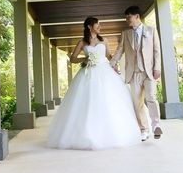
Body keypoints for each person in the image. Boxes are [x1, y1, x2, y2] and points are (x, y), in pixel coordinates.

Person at [47, 16, 141, 150]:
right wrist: (85, 59)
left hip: (105, 73)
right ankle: (86, 133)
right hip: (88, 73)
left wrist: (115, 66)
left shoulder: (104, 40)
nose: (100, 27)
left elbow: (109, 56)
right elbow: (73, 58)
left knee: (107, 100)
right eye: (97, 25)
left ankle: (109, 133)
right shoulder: (82, 42)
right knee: (87, 102)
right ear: (89, 27)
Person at [111, 6, 162, 141]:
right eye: (126, 17)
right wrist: (112, 63)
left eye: (129, 17)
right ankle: (144, 129)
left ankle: (156, 125)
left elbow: (157, 51)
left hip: (149, 72)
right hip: (133, 73)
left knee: (151, 98)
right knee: (137, 102)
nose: (127, 19)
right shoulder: (125, 33)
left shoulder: (151, 30)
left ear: (137, 16)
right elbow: (119, 50)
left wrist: (157, 68)